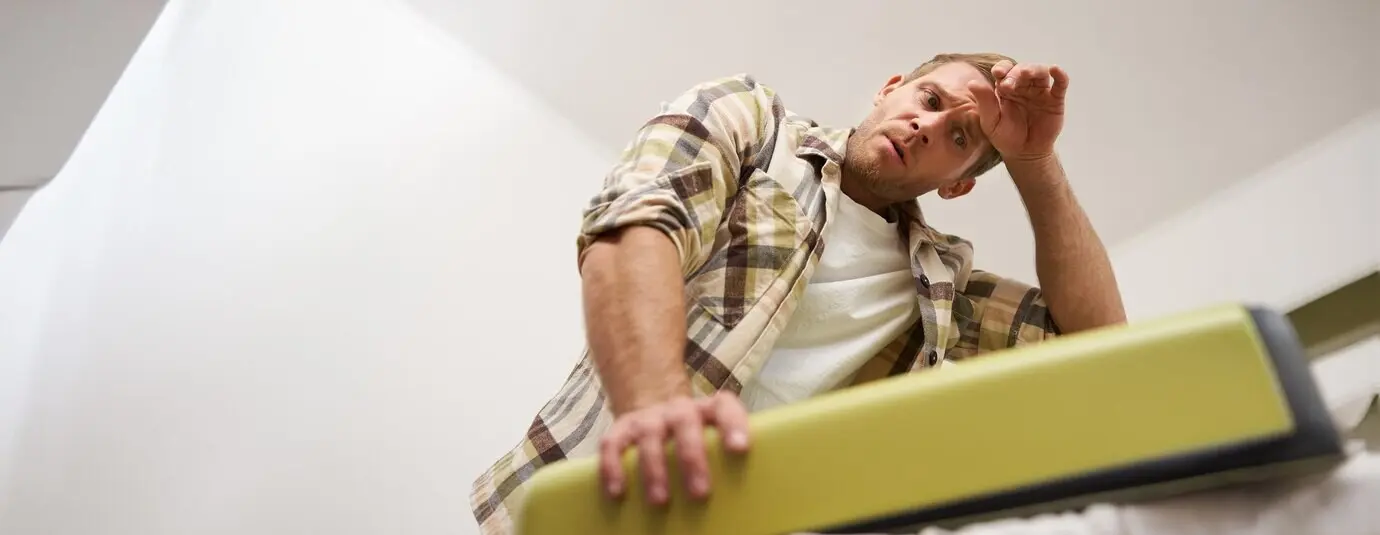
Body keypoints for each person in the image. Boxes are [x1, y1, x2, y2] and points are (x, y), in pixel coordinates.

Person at [469, 52, 1127, 534]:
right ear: (890, 88)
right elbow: (639, 220)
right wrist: (654, 408)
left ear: (959, 184)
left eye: (961, 137)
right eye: (929, 100)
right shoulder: (757, 123)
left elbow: (1101, 354)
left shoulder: (946, 291)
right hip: (582, 508)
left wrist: (1035, 165)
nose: (928, 127)